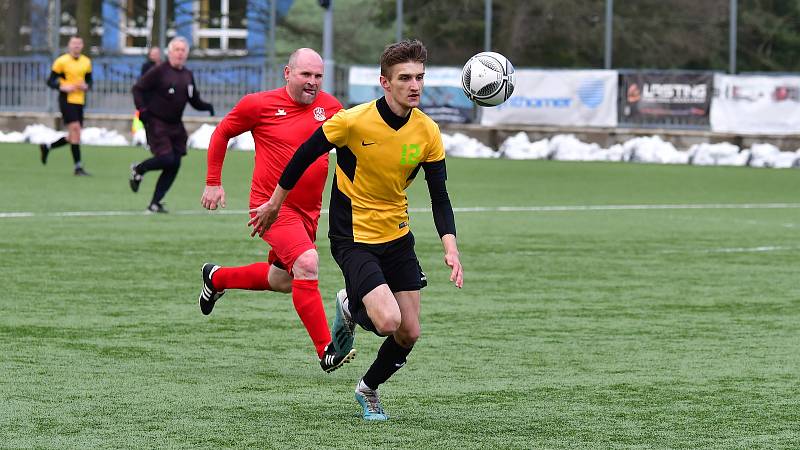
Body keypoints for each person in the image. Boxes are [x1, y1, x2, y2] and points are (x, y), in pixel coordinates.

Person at [250, 39, 464, 421]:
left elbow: (440, 196)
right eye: (404, 78)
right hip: (353, 236)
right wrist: (275, 202)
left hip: (398, 235)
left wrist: (451, 247)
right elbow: (304, 155)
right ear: (385, 82)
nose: (414, 85)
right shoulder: (352, 121)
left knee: (409, 332)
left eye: (419, 77)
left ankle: (368, 388)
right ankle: (353, 302)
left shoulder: (427, 131)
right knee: (386, 321)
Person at [198, 48, 355, 373]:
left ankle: (217, 278)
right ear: (287, 73)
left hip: (308, 212)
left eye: (317, 76)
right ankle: (326, 349)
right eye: (305, 75)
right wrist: (213, 181)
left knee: (285, 280)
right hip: (270, 207)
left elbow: (352, 149)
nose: (312, 82)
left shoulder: (331, 108)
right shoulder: (258, 105)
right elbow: (222, 132)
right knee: (308, 263)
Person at [130, 36, 215, 213]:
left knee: (175, 164)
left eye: (183, 50)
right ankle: (139, 168)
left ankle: (155, 203)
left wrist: (207, 106)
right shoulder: (159, 70)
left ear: (187, 54)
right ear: (169, 52)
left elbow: (193, 99)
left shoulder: (187, 75)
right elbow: (137, 89)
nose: (180, 53)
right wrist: (142, 111)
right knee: (166, 158)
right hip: (156, 121)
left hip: (176, 125)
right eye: (176, 49)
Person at [40, 35, 92, 176]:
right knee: (75, 129)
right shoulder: (61, 61)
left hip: (80, 101)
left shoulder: (86, 62)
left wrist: (86, 86)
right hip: (66, 100)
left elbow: (89, 82)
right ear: (69, 46)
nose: (76, 46)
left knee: (74, 136)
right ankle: (78, 167)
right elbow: (50, 81)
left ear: (82, 45)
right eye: (74, 43)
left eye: (79, 43)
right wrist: (63, 87)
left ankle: (48, 147)